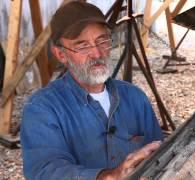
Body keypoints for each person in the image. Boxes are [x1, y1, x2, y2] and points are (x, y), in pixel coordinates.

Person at [20, 1, 163, 180]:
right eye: (82, 45)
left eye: (102, 40)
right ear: (60, 54)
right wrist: (108, 176)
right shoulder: (42, 108)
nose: (97, 53)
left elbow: (159, 155)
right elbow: (45, 171)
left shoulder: (135, 98)